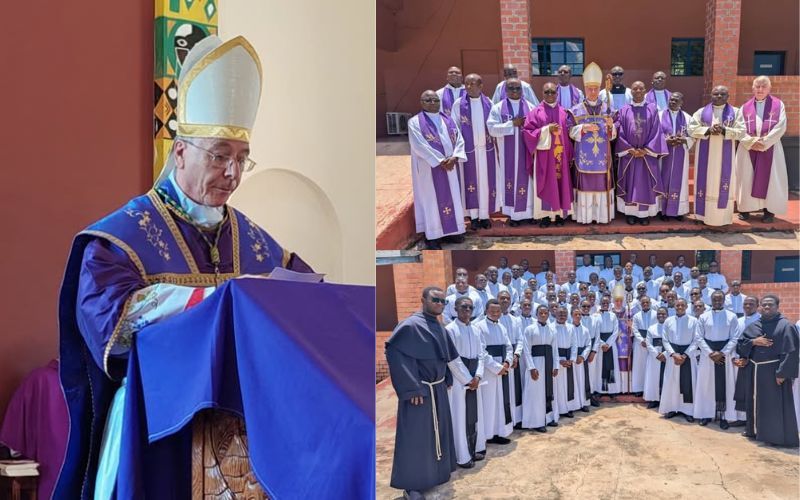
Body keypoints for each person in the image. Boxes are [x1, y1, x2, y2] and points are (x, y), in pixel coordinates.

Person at [55, 35, 316, 500]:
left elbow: (306, 294)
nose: (232, 174)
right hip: (154, 427)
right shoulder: (122, 237)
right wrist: (223, 298)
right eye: (219, 156)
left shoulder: (254, 241)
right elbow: (108, 323)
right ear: (180, 152)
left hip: (241, 437)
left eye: (241, 159)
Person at [386, 287, 458, 498]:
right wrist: (411, 387)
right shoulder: (410, 325)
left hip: (438, 388)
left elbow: (443, 356)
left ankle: (433, 475)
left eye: (443, 301)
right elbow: (395, 353)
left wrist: (447, 376)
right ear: (423, 300)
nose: (439, 304)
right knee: (416, 438)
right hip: (420, 391)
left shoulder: (439, 326)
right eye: (435, 299)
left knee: (438, 432)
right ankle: (412, 485)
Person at [736, 295, 798, 447]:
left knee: (773, 405)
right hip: (754, 371)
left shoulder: (785, 326)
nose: (767, 307)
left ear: (777, 306)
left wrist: (783, 373)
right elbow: (740, 345)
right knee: (755, 402)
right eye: (764, 305)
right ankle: (754, 430)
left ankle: (774, 436)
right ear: (760, 307)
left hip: (774, 373)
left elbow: (792, 351)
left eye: (770, 305)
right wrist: (753, 342)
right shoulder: (755, 325)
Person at [409, 90, 467, 249]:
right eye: (428, 100)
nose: (432, 103)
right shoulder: (415, 122)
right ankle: (433, 236)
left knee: (453, 198)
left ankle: (453, 232)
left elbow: (459, 139)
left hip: (450, 166)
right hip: (430, 168)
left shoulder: (448, 120)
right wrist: (441, 161)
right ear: (421, 102)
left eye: (435, 100)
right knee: (432, 201)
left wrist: (455, 157)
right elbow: (419, 145)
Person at [735, 76, 788, 223]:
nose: (760, 89)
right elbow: (739, 128)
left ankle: (769, 210)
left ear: (769, 88)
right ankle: (745, 209)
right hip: (748, 148)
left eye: (763, 86)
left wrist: (764, 142)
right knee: (746, 177)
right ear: (752, 89)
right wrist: (751, 142)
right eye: (757, 86)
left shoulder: (778, 105)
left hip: (770, 147)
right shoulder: (745, 107)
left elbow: (781, 126)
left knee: (771, 179)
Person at [688, 85, 743, 226]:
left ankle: (722, 218)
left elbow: (742, 131)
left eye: (722, 94)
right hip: (705, 156)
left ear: (728, 96)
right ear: (711, 95)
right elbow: (692, 129)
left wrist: (725, 130)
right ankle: (701, 215)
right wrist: (708, 130)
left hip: (726, 156)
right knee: (705, 182)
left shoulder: (736, 112)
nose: (719, 96)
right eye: (716, 94)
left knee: (722, 182)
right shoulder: (701, 112)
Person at [569, 62, 617, 224]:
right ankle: (585, 217)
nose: (593, 92)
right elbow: (570, 132)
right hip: (584, 158)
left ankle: (602, 216)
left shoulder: (608, 109)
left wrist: (611, 126)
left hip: (602, 158)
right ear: (585, 89)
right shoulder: (576, 111)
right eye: (590, 89)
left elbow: (613, 136)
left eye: (596, 89)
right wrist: (583, 127)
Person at [523, 82, 575, 227]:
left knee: (560, 183)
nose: (550, 95)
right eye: (547, 92)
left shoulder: (564, 112)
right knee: (546, 183)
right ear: (542, 93)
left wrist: (570, 154)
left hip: (561, 156)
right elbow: (527, 133)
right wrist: (546, 129)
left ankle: (559, 216)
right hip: (544, 157)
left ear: (557, 93)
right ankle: (545, 216)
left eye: (553, 92)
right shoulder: (535, 112)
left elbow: (569, 134)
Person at [615, 81, 667, 225]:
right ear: (630, 91)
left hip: (647, 155)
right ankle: (630, 213)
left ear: (645, 91)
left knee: (645, 185)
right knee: (630, 183)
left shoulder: (652, 109)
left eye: (640, 88)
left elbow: (657, 131)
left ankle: (644, 214)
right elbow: (621, 131)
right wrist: (629, 149)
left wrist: (647, 149)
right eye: (635, 88)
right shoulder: (624, 110)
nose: (638, 90)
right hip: (629, 155)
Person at [444, 297, 488, 469]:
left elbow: (481, 355)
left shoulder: (476, 330)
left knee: (474, 415)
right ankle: (462, 455)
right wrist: (467, 379)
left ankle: (475, 447)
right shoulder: (450, 330)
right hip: (458, 380)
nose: (467, 310)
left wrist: (477, 376)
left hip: (474, 378)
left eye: (470, 307)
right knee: (460, 416)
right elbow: (452, 359)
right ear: (455, 308)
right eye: (463, 307)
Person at [451, 73, 499, 230]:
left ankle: (485, 216)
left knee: (485, 183)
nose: (470, 87)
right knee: (470, 184)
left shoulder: (489, 103)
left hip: (486, 151)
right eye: (467, 84)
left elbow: (493, 125)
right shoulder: (459, 104)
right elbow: (454, 128)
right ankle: (474, 217)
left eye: (474, 84)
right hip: (469, 152)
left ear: (481, 86)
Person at [488, 78, 535, 226]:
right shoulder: (497, 108)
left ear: (522, 90)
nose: (514, 91)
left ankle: (529, 213)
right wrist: (512, 124)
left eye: (517, 88)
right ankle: (513, 216)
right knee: (509, 181)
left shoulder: (531, 107)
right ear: (505, 90)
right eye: (511, 88)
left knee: (528, 182)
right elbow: (491, 129)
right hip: (506, 153)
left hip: (526, 152)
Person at [693, 291, 741, 428]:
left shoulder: (732, 317)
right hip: (708, 356)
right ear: (711, 300)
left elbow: (735, 338)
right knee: (706, 385)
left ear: (724, 300)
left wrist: (723, 353)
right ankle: (706, 414)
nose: (717, 302)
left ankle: (724, 416)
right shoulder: (703, 317)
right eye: (715, 300)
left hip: (725, 356)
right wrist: (710, 353)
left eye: (720, 300)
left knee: (726, 386)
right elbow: (698, 337)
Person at [477, 299, 514, 445]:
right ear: (486, 311)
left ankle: (499, 432)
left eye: (498, 311)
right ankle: (487, 435)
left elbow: (509, 347)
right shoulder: (478, 327)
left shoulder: (502, 327)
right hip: (488, 370)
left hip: (502, 369)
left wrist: (507, 362)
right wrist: (496, 368)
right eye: (492, 311)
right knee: (489, 402)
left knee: (500, 401)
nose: (495, 313)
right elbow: (481, 351)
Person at [521, 305, 561, 431]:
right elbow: (526, 350)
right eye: (541, 313)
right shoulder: (529, 329)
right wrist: (531, 368)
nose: (543, 315)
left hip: (549, 364)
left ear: (548, 314)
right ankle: (536, 422)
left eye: (545, 313)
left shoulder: (552, 330)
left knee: (548, 392)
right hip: (536, 364)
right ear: (536, 314)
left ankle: (548, 418)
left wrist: (556, 366)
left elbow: (555, 350)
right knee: (536, 393)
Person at [659, 299, 698, 422]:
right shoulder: (668, 321)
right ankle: (672, 408)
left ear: (687, 306)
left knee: (687, 383)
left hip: (688, 356)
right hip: (673, 357)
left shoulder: (694, 321)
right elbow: (665, 340)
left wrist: (685, 355)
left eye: (682, 305)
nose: (680, 307)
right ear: (674, 307)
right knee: (672, 382)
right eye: (677, 305)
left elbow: (696, 340)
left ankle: (688, 411)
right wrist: (673, 354)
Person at [659, 92, 694, 220]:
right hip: (664, 155)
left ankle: (679, 211)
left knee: (681, 181)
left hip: (681, 154)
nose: (673, 102)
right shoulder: (659, 115)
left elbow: (693, 137)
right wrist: (665, 140)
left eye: (676, 100)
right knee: (663, 179)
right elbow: (655, 134)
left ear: (681, 103)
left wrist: (684, 140)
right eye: (671, 100)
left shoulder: (688, 117)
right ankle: (662, 210)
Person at [497, 291, 525, 426]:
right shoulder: (493, 319)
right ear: (497, 299)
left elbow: (520, 339)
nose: (505, 301)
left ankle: (517, 419)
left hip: (513, 359)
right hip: (501, 360)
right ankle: (504, 421)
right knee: (503, 392)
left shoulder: (516, 320)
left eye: (507, 298)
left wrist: (516, 355)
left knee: (515, 389)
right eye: (502, 298)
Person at [553, 306, 579, 417]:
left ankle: (568, 408)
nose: (562, 316)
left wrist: (572, 359)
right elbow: (551, 347)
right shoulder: (551, 327)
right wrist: (559, 360)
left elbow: (574, 344)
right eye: (560, 314)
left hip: (568, 360)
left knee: (568, 385)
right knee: (557, 387)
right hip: (557, 360)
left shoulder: (571, 327)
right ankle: (558, 410)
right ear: (555, 314)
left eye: (564, 314)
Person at [593, 295, 621, 397]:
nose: (605, 304)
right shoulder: (595, 316)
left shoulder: (613, 316)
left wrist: (608, 344)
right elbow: (595, 332)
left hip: (611, 345)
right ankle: (601, 390)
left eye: (607, 303)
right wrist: (602, 343)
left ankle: (612, 391)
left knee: (612, 366)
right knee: (600, 367)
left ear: (609, 304)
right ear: (600, 304)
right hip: (600, 346)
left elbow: (616, 331)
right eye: (603, 303)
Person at [644, 307, 669, 408]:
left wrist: (665, 354)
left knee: (666, 378)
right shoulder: (652, 328)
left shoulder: (670, 327)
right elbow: (648, 343)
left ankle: (665, 400)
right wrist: (657, 354)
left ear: (667, 315)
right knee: (654, 378)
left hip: (667, 356)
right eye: (659, 314)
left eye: (663, 314)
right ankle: (654, 399)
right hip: (654, 357)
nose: (661, 316)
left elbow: (672, 342)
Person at [632, 296, 657, 397]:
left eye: (647, 302)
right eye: (643, 303)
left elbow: (656, 328)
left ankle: (650, 389)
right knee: (639, 366)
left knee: (651, 367)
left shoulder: (655, 314)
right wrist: (641, 340)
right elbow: (635, 329)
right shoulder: (637, 316)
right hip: (640, 344)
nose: (645, 304)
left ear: (650, 303)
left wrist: (648, 340)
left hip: (652, 343)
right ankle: (639, 388)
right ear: (640, 304)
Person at [571, 307, 593, 412]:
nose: (578, 316)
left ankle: (584, 403)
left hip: (581, 358)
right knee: (572, 381)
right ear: (571, 315)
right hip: (571, 358)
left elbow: (589, 345)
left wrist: (583, 356)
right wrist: (573, 356)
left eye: (579, 314)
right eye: (576, 314)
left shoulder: (585, 330)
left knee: (583, 381)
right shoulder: (568, 328)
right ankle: (574, 404)